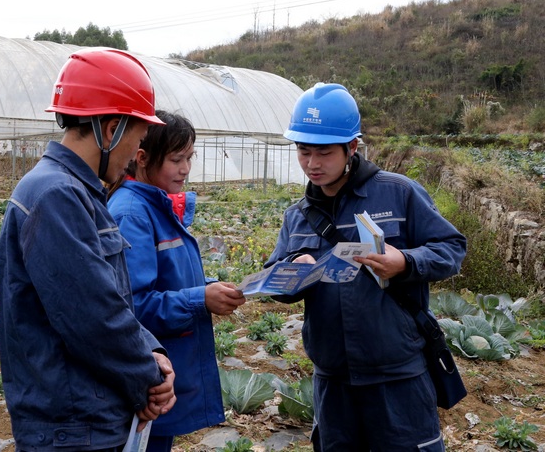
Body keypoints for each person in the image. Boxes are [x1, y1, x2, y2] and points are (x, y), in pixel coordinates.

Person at [264, 82, 467, 452]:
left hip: (398, 377)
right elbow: (276, 281)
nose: (312, 164)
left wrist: (404, 262)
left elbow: (452, 248)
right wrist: (295, 269)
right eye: (304, 152)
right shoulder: (297, 216)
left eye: (323, 153)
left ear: (351, 147)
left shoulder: (399, 192)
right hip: (333, 382)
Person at [0, 48, 177, 451]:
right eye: (138, 139)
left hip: (88, 420)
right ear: (111, 130)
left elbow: (109, 299)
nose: (135, 156)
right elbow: (92, 317)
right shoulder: (56, 195)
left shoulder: (77, 191)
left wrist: (152, 351)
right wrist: (149, 375)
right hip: (73, 428)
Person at [107, 110, 246, 452]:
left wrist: (212, 287)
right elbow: (132, 306)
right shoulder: (132, 213)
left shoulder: (157, 204)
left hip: (163, 376)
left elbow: (169, 277)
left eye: (190, 158)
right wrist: (201, 299)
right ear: (142, 159)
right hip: (149, 378)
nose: (185, 169)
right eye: (176, 159)